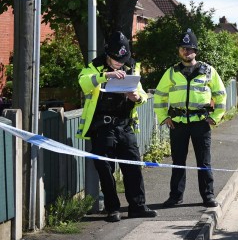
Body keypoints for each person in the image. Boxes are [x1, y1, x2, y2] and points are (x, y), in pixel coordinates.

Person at [77, 31, 158, 222]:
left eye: (123, 59)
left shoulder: (132, 67)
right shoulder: (94, 66)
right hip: (102, 127)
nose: (120, 63)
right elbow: (83, 83)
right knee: (105, 169)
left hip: (124, 126)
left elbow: (142, 93)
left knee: (133, 166)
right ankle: (112, 208)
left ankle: (137, 206)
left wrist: (138, 98)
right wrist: (106, 75)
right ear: (107, 54)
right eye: (116, 60)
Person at [154, 28, 227, 208]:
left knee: (204, 161)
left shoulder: (208, 71)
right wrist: (164, 117)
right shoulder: (171, 72)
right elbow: (159, 96)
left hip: (201, 123)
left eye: (190, 48)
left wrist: (216, 116)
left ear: (196, 51)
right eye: (183, 48)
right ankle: (175, 196)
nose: (186, 52)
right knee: (178, 161)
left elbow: (221, 94)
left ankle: (208, 196)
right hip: (177, 124)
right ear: (179, 51)